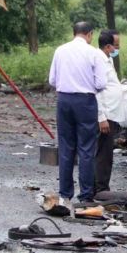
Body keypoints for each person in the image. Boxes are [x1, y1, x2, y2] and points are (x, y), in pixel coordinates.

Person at [49, 22, 107, 205]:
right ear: (89, 34)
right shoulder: (94, 53)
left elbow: (52, 79)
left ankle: (65, 194)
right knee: (87, 149)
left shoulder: (60, 50)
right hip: (86, 102)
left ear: (74, 33)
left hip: (64, 100)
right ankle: (86, 195)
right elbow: (101, 84)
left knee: (66, 147)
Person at [94, 31, 122, 194]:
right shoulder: (99, 61)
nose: (118, 48)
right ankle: (100, 189)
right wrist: (101, 117)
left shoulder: (108, 59)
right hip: (105, 115)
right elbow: (96, 91)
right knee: (103, 154)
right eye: (116, 45)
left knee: (106, 153)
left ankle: (100, 186)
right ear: (107, 46)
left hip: (111, 113)